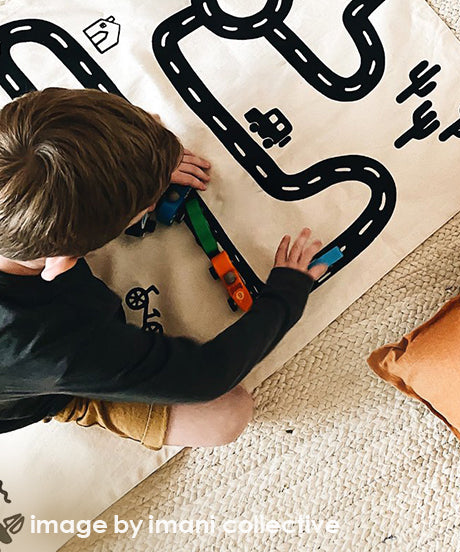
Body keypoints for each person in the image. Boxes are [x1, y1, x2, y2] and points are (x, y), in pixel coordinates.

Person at [0, 87, 329, 450]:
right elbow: (207, 375)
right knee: (226, 415)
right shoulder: (55, 347)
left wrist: (145, 162)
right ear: (63, 262)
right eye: (145, 205)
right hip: (35, 387)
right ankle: (76, 405)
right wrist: (286, 295)